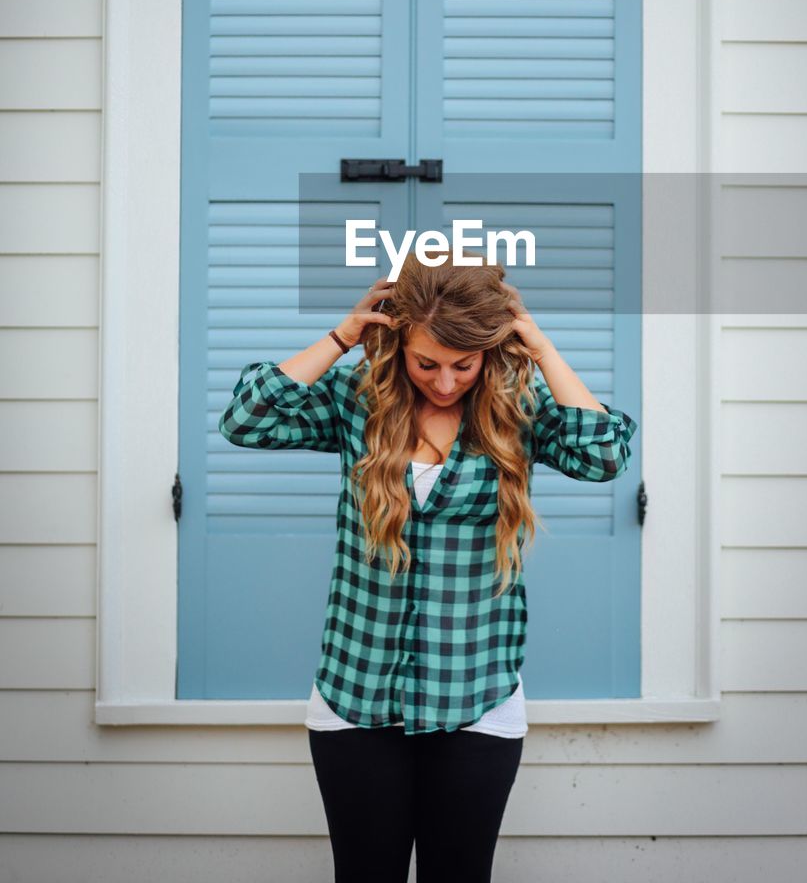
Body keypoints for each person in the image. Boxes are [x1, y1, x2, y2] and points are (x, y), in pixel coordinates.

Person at [218, 250, 637, 883]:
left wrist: (543, 348)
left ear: (491, 352)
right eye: (427, 364)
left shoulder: (516, 410)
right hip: (356, 694)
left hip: (476, 695)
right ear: (398, 345)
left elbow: (604, 456)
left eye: (463, 365)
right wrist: (342, 335)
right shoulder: (355, 401)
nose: (444, 383)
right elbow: (245, 419)